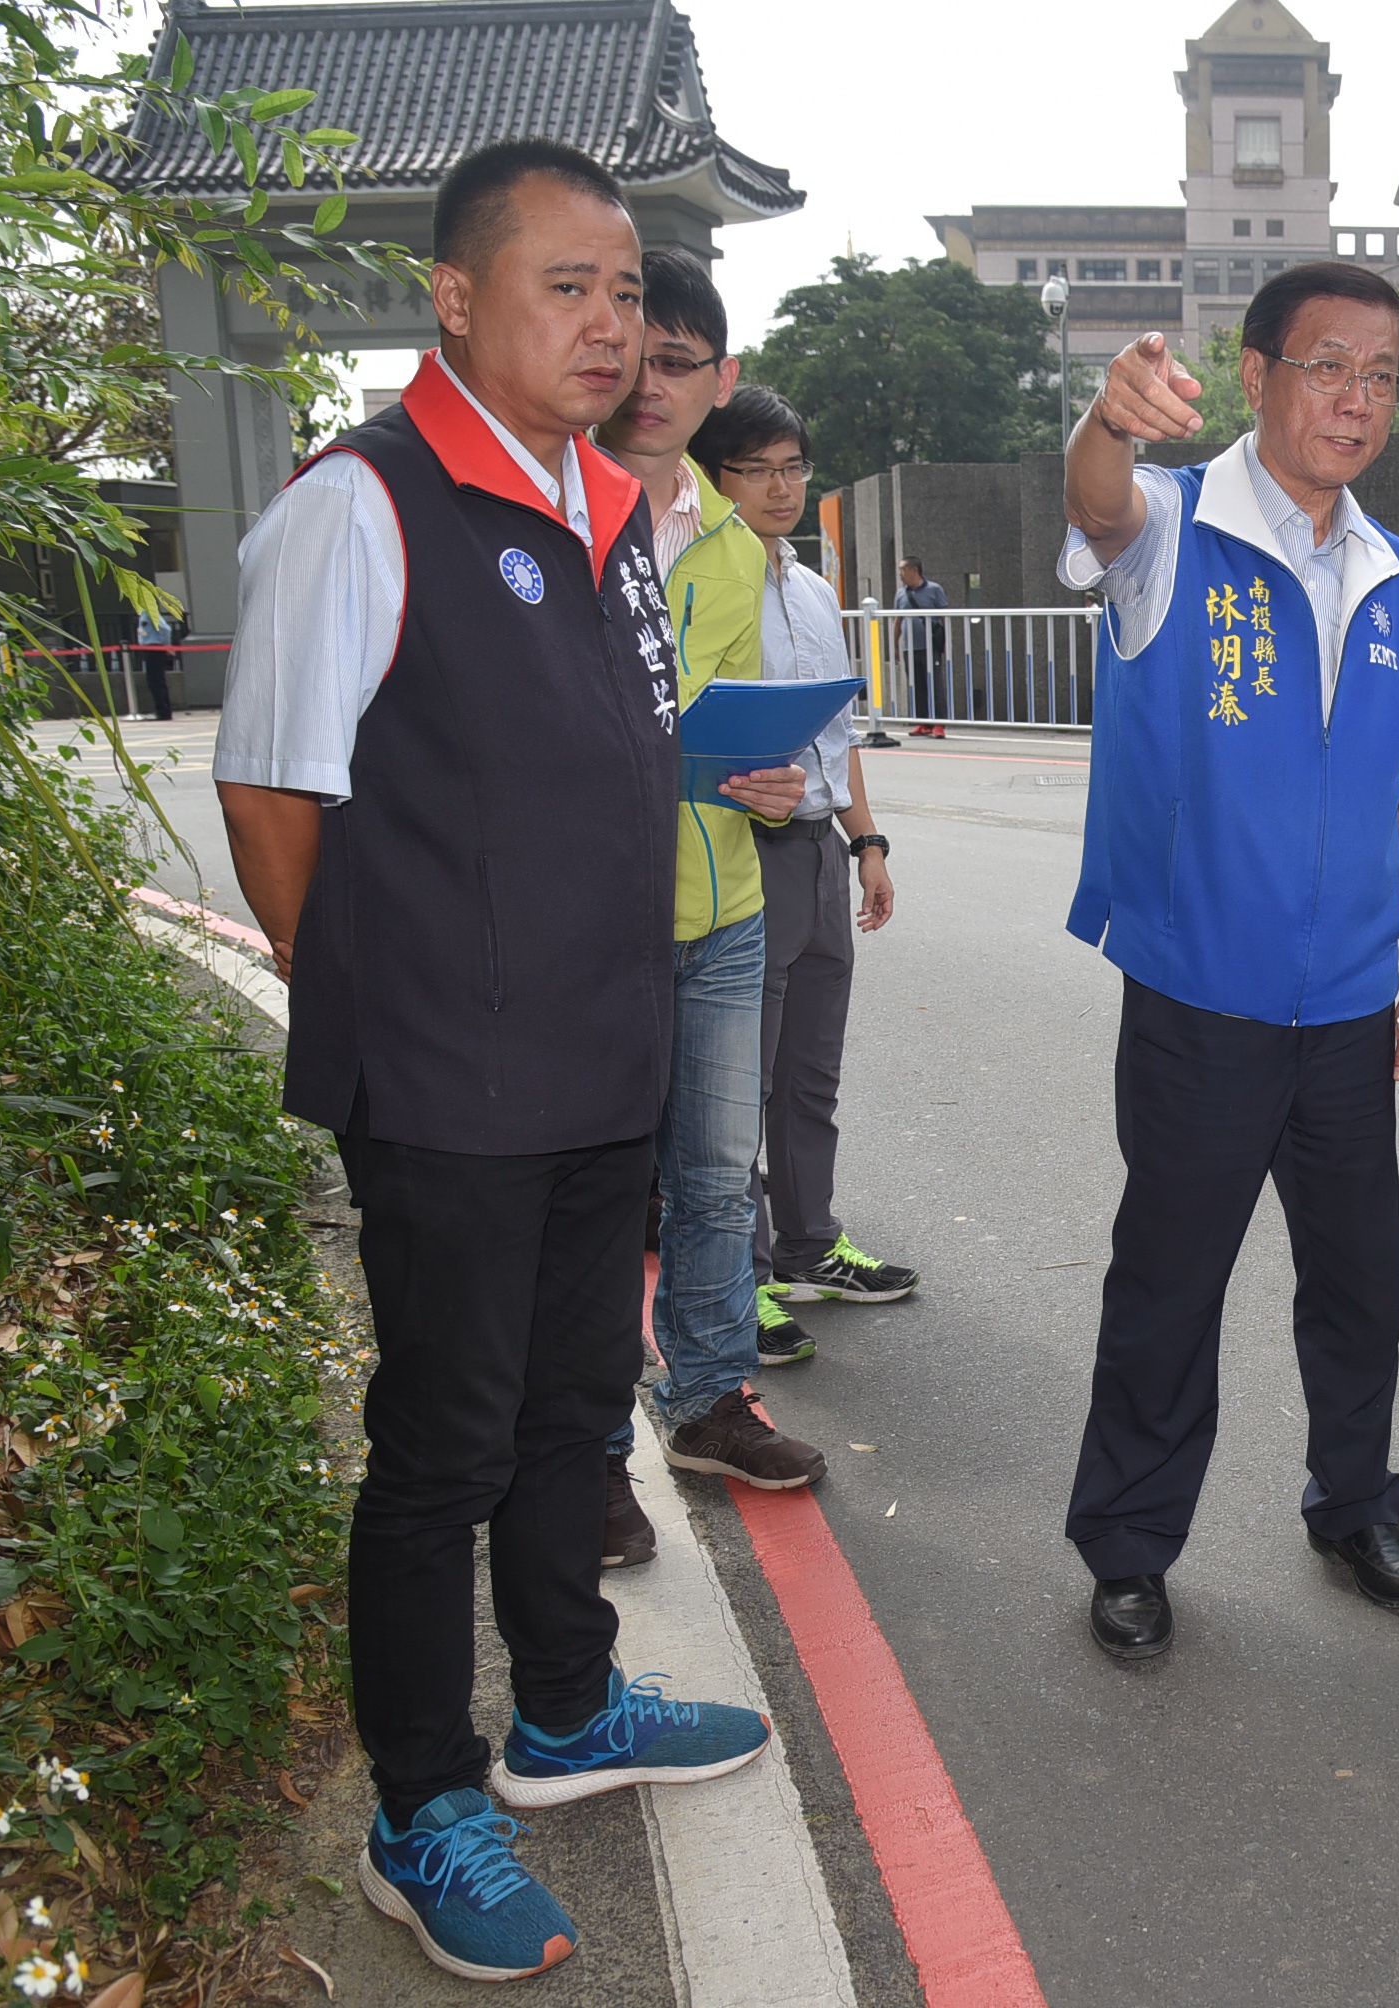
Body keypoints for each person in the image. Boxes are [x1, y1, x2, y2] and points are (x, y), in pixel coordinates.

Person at [209, 140, 774, 1985]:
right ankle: (419, 1803)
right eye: (568, 285)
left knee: (565, 1415)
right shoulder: (362, 509)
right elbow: (273, 795)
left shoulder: (610, 513)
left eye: (627, 291)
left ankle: (562, 1712)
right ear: (456, 300)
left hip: (599, 1060)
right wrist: (375, 989)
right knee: (438, 1446)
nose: (610, 322)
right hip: (448, 1085)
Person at [1058, 262, 1399, 1660]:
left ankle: (1353, 1503)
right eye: (1327, 366)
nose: (1355, 400)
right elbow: (1097, 507)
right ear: (1256, 374)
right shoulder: (1173, 529)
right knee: (1169, 1280)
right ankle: (1128, 1542)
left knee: (1360, 1281)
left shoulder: (1397, 573)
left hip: (1351, 1006)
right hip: (1200, 1000)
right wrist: (1108, 426)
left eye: (1381, 375)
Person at [590, 245, 828, 1559]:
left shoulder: (736, 549)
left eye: (676, 359)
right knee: (585, 1190)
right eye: (631, 348)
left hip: (722, 911)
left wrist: (770, 781)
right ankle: (580, 1459)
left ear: (715, 379)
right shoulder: (552, 512)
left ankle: (706, 1398)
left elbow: (724, 734)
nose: (646, 379)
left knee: (712, 1184)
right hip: (591, 921)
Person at [691, 384, 916, 1362]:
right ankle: (737, 1283)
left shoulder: (813, 589)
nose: (781, 486)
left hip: (820, 849)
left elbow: (835, 732)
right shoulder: (695, 579)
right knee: (734, 1082)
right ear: (714, 476)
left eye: (793, 466)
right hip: (738, 854)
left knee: (809, 1074)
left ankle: (807, 1247)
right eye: (758, 468)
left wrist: (866, 844)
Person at [891, 555, 948, 736]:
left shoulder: (934, 590)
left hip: (931, 646)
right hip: (910, 647)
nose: (900, 574)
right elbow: (897, 621)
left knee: (935, 685)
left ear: (914, 570)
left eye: (903, 569)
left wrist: (946, 644)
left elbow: (945, 617)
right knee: (917, 686)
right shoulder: (901, 594)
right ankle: (923, 723)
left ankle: (939, 723)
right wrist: (895, 647)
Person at [132, 603, 180, 720]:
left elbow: (165, 629)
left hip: (155, 649)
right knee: (153, 681)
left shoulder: (149, 611)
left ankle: (163, 712)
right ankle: (161, 710)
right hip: (149, 649)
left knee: (156, 681)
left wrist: (166, 645)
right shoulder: (143, 613)